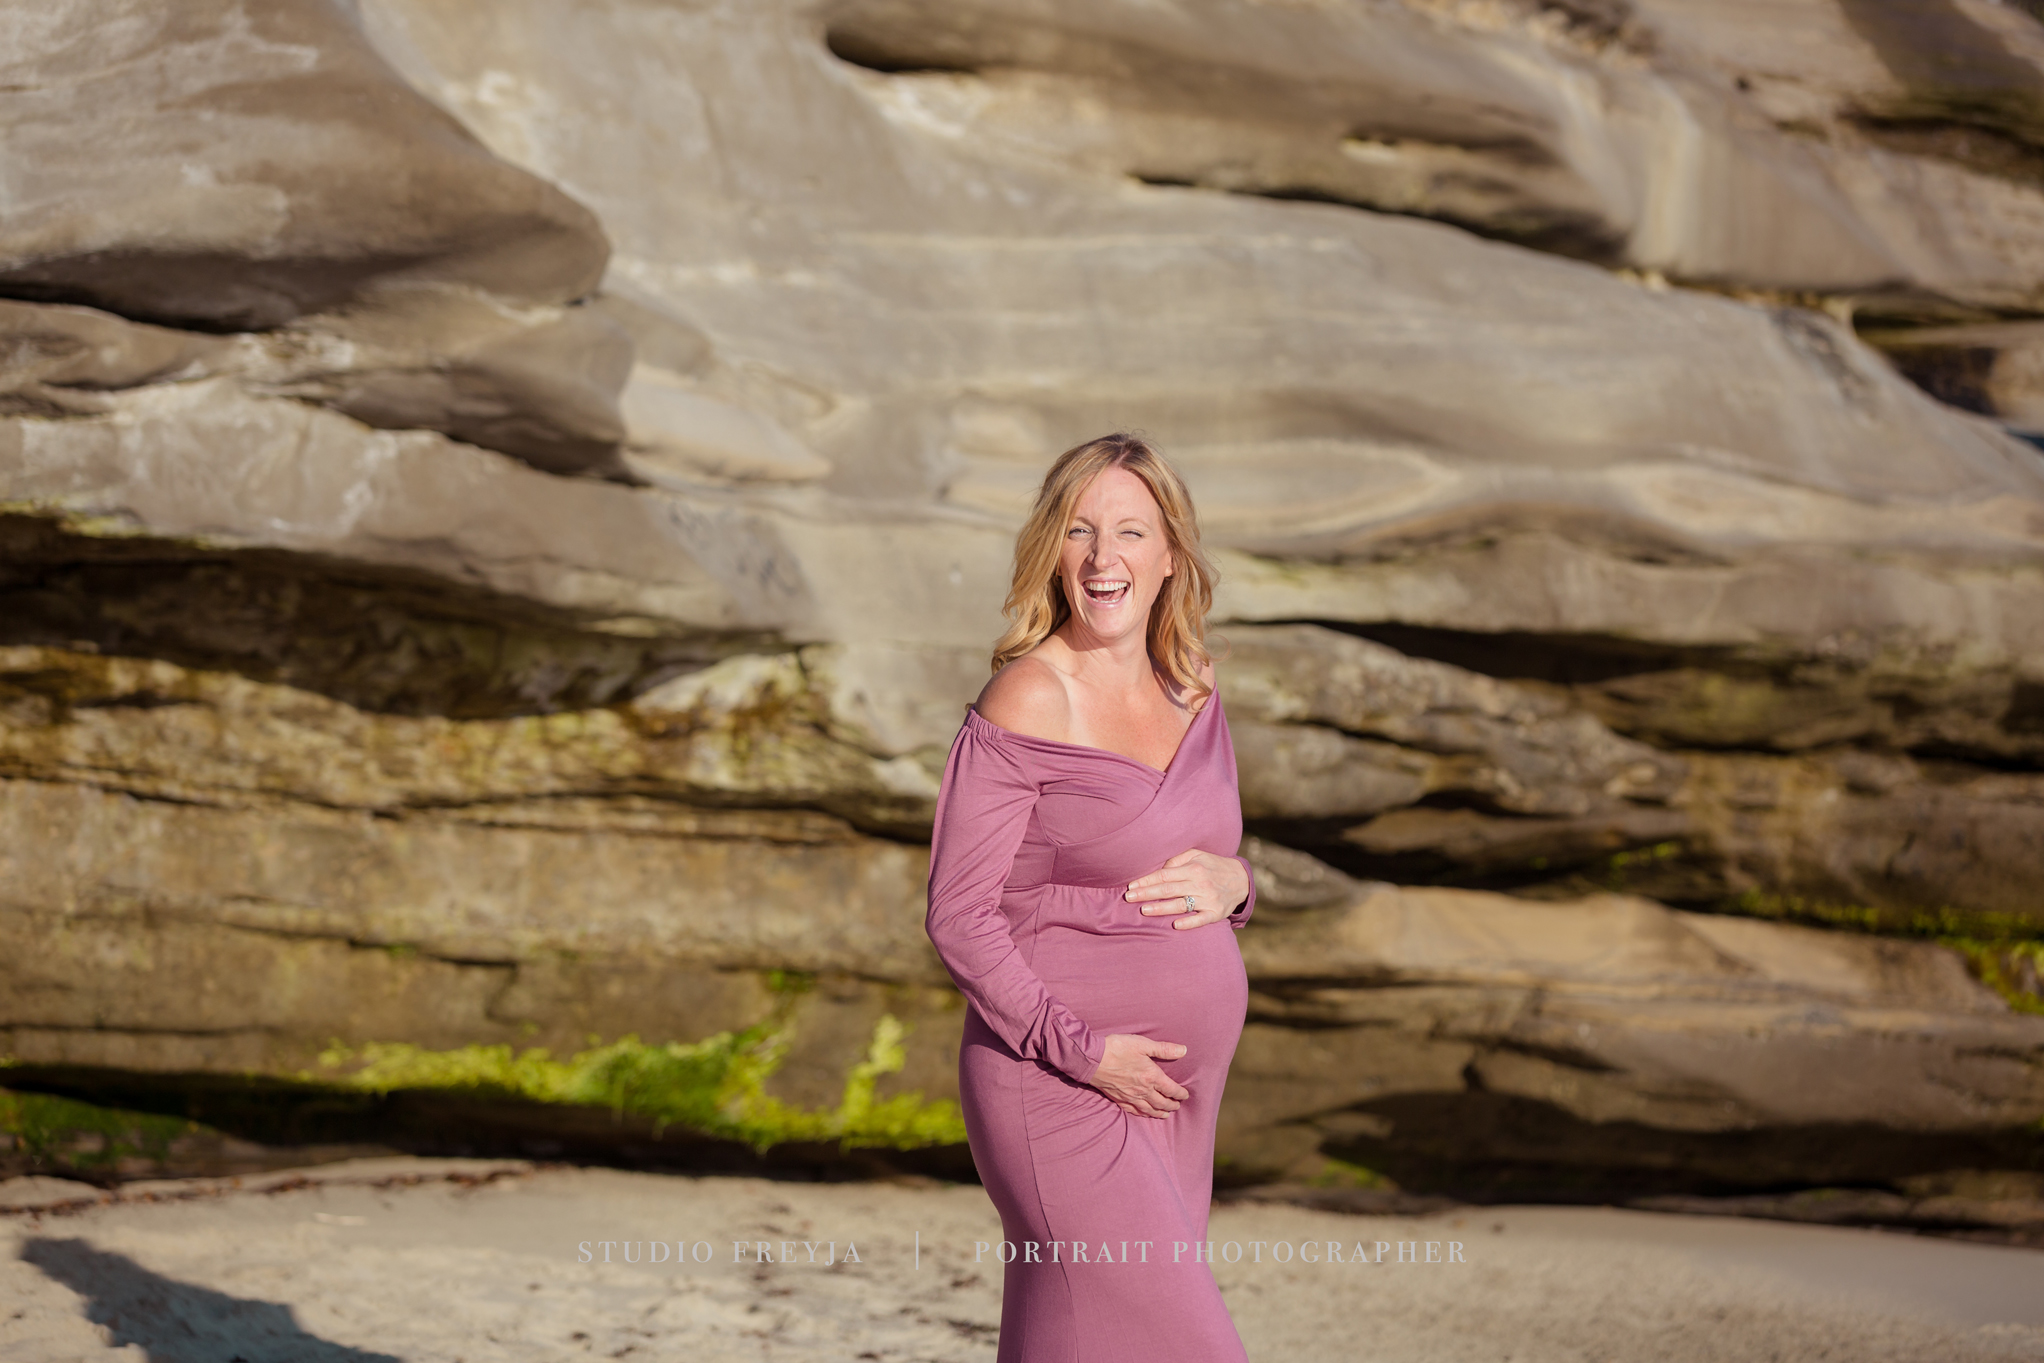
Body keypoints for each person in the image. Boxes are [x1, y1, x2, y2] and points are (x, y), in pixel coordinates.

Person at [925, 432, 1257, 1362]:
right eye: (1079, 531)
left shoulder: (1193, 686)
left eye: (1129, 532)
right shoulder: (1028, 697)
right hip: (1058, 1079)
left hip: (1179, 1090)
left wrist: (1240, 885)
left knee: (1086, 1343)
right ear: (1052, 550)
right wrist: (1084, 1051)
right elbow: (958, 914)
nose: (1104, 558)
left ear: (1169, 557)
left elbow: (1213, 853)